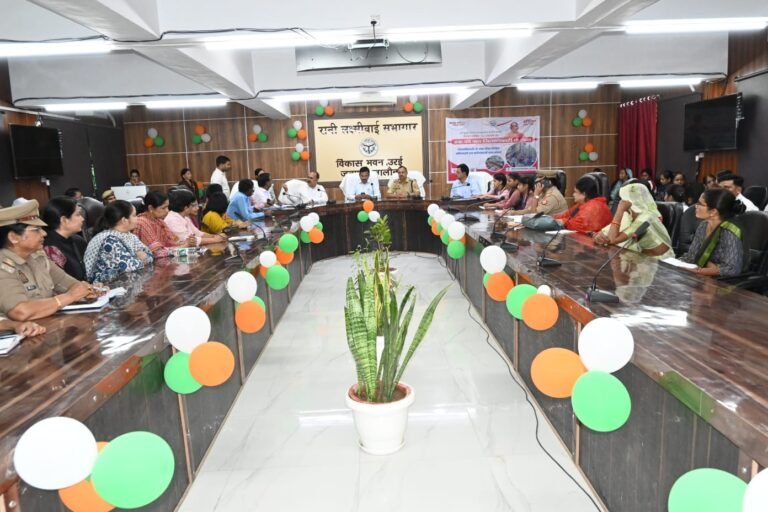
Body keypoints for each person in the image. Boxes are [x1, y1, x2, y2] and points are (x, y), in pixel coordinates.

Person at [0, 200, 96, 320]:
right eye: (36, 229)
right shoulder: (3, 267)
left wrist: (85, 291)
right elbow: (20, 312)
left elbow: (69, 283)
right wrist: (68, 297)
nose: (44, 233)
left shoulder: (38, 258)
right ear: (13, 237)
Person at [593, 182, 674, 258]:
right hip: (643, 259)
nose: (621, 202)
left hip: (663, 261)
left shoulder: (647, 217)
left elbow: (612, 239)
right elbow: (606, 234)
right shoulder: (630, 216)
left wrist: (620, 210)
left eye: (623, 199)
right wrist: (598, 236)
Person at [679, 189, 745, 277]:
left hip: (722, 281)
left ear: (713, 212)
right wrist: (675, 263)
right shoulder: (704, 225)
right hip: (700, 274)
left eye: (700, 204)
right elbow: (692, 256)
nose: (695, 206)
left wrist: (699, 271)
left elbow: (731, 269)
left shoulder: (729, 231)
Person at [84, 201, 152, 283]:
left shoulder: (128, 235)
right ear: (124, 220)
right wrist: (142, 259)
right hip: (104, 285)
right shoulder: (109, 240)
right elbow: (128, 267)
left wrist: (143, 258)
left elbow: (150, 254)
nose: (137, 218)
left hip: (125, 281)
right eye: (134, 215)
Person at [41, 196, 88, 281]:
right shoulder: (48, 247)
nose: (82, 219)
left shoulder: (78, 240)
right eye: (78, 215)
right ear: (64, 220)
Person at [134, 191, 181, 258]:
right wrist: (182, 247)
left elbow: (172, 241)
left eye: (167, 207)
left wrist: (186, 243)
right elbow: (157, 252)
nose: (167, 210)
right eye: (163, 208)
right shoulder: (142, 222)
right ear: (150, 208)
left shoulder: (159, 221)